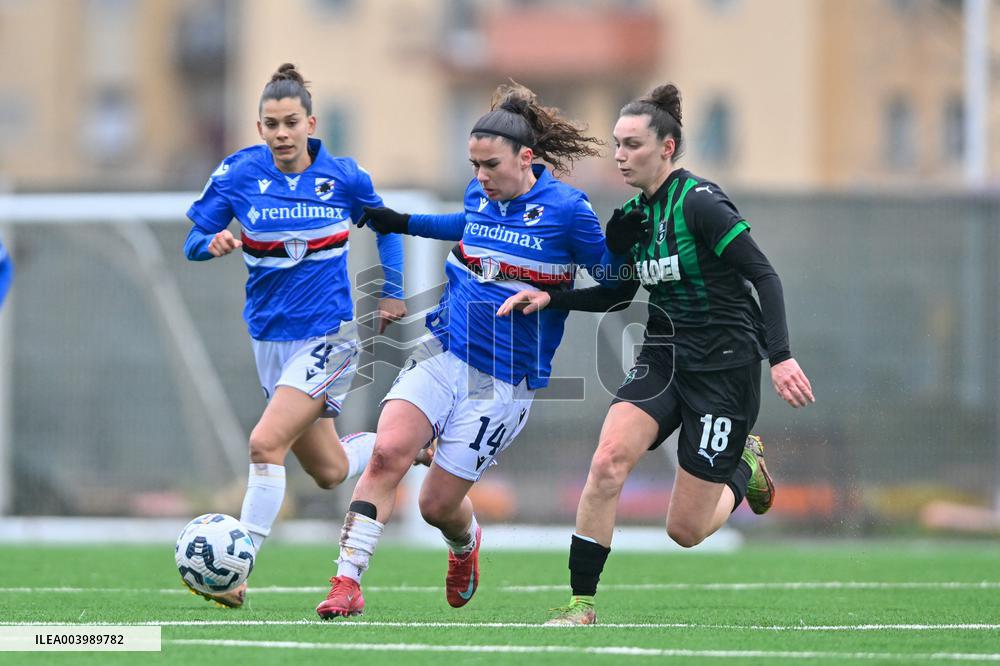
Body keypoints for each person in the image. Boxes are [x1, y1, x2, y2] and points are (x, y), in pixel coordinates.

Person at [314, 83, 639, 618]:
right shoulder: (479, 195)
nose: (480, 177)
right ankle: (346, 583)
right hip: (444, 352)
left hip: (504, 383)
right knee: (387, 453)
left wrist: (614, 253)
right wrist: (403, 223)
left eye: (490, 165)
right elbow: (465, 223)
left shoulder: (566, 211)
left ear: (525, 157)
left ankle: (465, 545)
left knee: (435, 506)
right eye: (473, 166)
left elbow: (614, 285)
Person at [498, 84, 815, 625]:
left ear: (667, 147)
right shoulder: (636, 217)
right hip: (664, 356)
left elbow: (763, 275)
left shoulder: (700, 204)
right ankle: (581, 605)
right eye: (616, 145)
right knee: (606, 463)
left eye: (633, 145)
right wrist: (556, 296)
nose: (620, 155)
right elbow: (620, 294)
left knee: (685, 531)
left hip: (725, 366)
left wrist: (780, 356)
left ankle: (744, 465)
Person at [184, 63, 416, 608]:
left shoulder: (345, 177)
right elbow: (193, 239)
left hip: (329, 337)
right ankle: (408, 448)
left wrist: (393, 291)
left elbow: (387, 228)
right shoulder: (237, 174)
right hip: (269, 338)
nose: (282, 133)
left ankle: (236, 570)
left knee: (265, 444)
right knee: (330, 470)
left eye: (291, 122)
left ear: (310, 123)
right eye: (271, 124)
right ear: (259, 127)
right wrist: (211, 243)